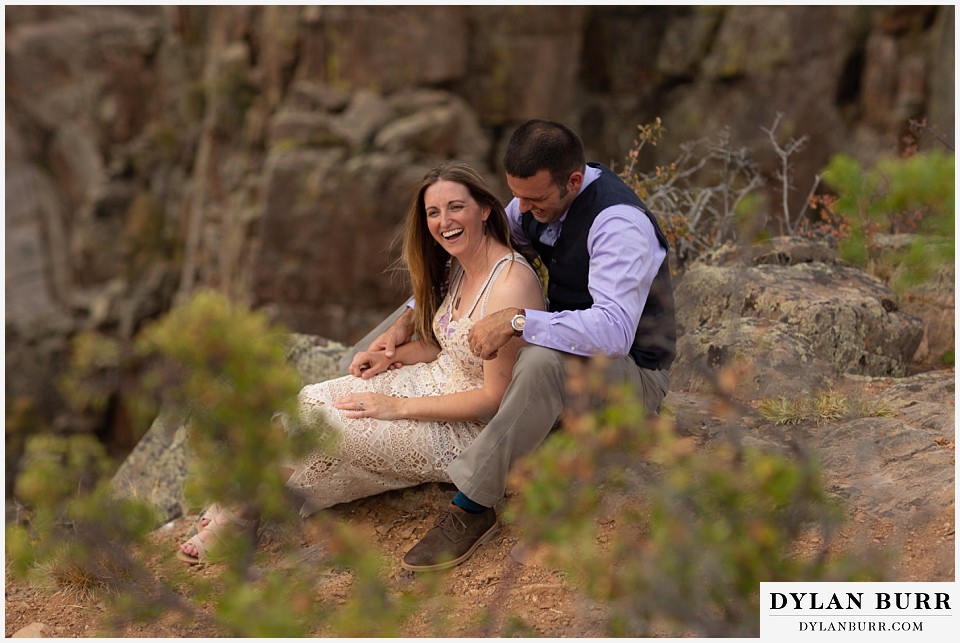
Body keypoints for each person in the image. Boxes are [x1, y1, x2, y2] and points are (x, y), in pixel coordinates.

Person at [177, 161, 545, 564]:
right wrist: (389, 358)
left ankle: (240, 513)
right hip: (430, 382)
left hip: (466, 429)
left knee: (330, 430)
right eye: (433, 213)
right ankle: (248, 501)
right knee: (304, 403)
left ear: (486, 209)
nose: (444, 222)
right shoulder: (459, 265)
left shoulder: (510, 283)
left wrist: (397, 407)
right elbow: (448, 347)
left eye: (456, 207)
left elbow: (494, 397)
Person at [353, 119, 677, 572]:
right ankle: (352, 386)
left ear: (574, 181)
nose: (521, 208)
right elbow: (478, 251)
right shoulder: (533, 202)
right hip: (575, 365)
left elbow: (613, 333)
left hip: (633, 377)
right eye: (516, 195)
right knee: (425, 315)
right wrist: (407, 319)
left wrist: (518, 319)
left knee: (540, 358)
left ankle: (473, 505)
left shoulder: (619, 225)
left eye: (534, 199)